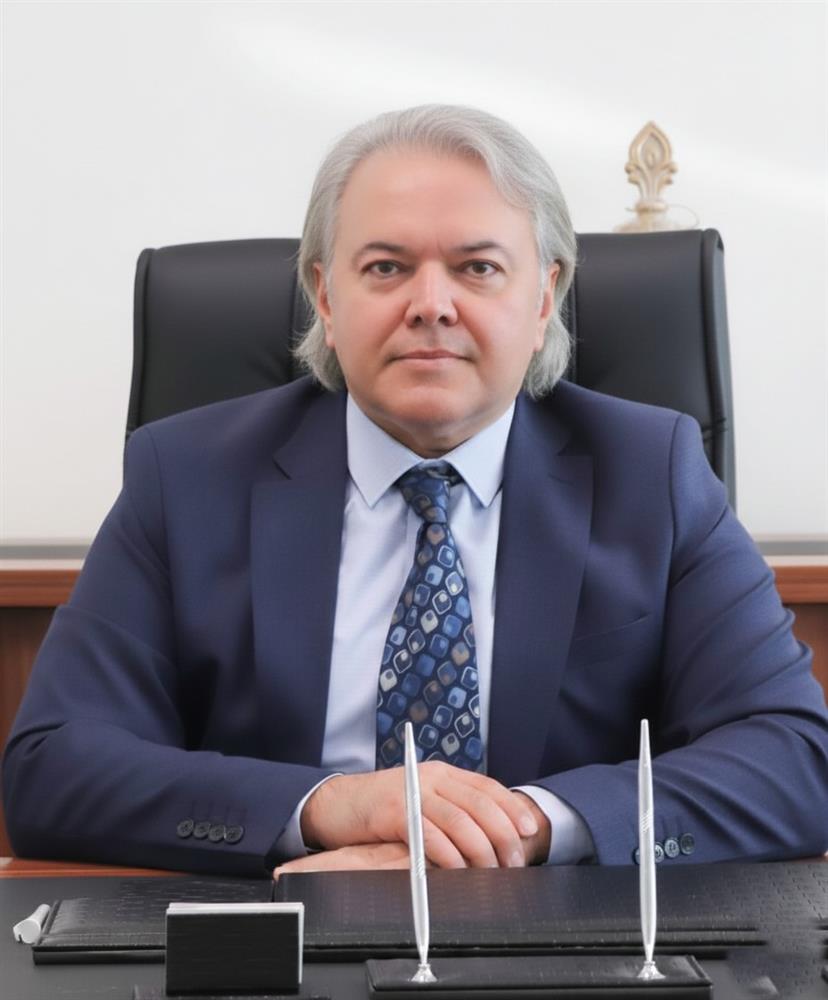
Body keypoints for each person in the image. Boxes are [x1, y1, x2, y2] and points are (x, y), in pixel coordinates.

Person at [4, 106, 827, 877]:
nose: (431, 306)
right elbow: (53, 765)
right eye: (387, 268)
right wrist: (332, 807)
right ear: (326, 297)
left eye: (478, 268)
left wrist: (523, 826)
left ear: (544, 297)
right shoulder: (186, 477)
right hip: (282, 927)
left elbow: (796, 758)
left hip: (570, 937)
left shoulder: (652, 473)